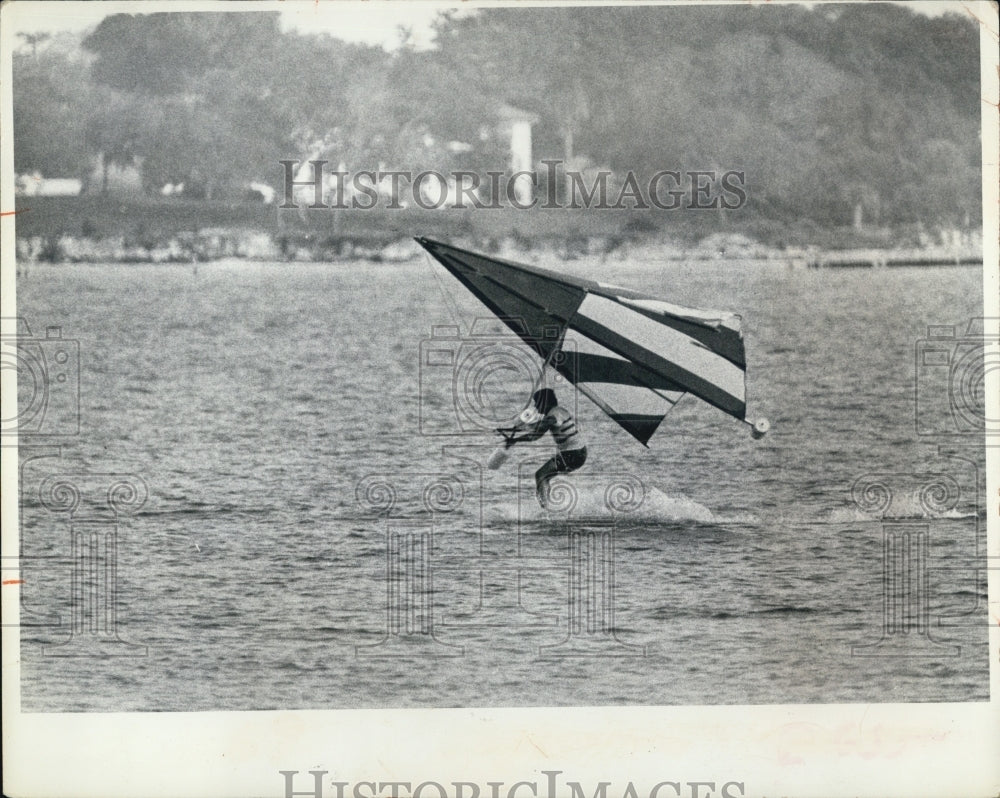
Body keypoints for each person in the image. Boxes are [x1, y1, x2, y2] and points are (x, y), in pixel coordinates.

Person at [500, 388, 587, 508]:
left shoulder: (554, 414)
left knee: (541, 475)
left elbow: (544, 424)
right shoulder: (556, 412)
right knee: (544, 476)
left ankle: (545, 509)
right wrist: (515, 439)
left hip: (573, 454)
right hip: (578, 453)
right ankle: (548, 505)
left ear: (544, 402)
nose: (535, 407)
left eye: (537, 403)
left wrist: (522, 426)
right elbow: (534, 436)